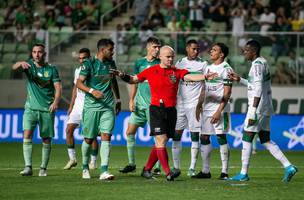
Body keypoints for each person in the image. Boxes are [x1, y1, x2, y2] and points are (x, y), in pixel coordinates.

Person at [111, 45, 217, 181]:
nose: (171, 59)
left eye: (172, 56)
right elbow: (134, 79)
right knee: (160, 140)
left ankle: (147, 169)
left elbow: (189, 77)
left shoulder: (176, 71)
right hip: (156, 109)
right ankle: (168, 173)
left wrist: (204, 77)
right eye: (168, 56)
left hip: (171, 110)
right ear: (160, 56)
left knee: (163, 140)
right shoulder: (151, 71)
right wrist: (122, 75)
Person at [229, 40, 298, 182]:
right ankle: (288, 166)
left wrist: (253, 110)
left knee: (247, 137)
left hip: (258, 108)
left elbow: (258, 88)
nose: (244, 52)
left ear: (253, 51)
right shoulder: (262, 62)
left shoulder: (257, 65)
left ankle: (243, 173)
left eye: (246, 50)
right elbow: (254, 85)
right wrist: (240, 79)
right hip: (265, 107)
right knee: (265, 139)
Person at [12, 43, 62, 177]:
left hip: (47, 109)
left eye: (39, 52)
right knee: (27, 135)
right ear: (32, 54)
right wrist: (20, 63)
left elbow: (58, 87)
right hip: (30, 108)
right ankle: (28, 167)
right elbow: (14, 67)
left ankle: (43, 168)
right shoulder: (29, 65)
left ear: (44, 54)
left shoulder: (52, 69)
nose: (37, 54)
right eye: (34, 52)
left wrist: (56, 102)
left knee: (46, 139)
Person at [76, 39, 121, 180]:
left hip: (108, 106)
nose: (113, 52)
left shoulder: (111, 63)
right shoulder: (89, 64)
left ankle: (104, 171)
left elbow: (113, 81)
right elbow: (78, 83)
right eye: (110, 50)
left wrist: (118, 99)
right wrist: (91, 90)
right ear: (102, 50)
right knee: (89, 139)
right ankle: (84, 167)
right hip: (91, 108)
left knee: (106, 136)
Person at [119, 37, 162, 174]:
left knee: (158, 136)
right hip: (139, 105)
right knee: (129, 132)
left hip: (153, 106)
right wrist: (131, 100)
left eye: (158, 47)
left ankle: (158, 167)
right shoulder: (139, 62)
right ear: (148, 47)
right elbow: (135, 82)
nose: (157, 49)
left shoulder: (161, 63)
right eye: (155, 47)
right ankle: (131, 164)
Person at [193, 42, 233, 180]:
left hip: (220, 109)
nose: (211, 52)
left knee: (221, 137)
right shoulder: (208, 68)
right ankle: (205, 171)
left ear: (221, 54)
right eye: (211, 50)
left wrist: (218, 111)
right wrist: (199, 105)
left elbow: (227, 93)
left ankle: (224, 172)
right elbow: (204, 88)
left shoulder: (226, 69)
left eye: (214, 50)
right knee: (204, 137)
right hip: (207, 108)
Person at [172, 40, 208, 177]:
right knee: (176, 134)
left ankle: (192, 167)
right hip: (180, 103)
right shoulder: (180, 63)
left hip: (194, 104)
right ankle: (176, 167)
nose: (196, 51)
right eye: (193, 48)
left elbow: (205, 85)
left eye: (197, 49)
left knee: (194, 135)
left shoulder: (203, 64)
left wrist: (200, 104)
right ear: (187, 48)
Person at [63, 48, 99, 170]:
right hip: (77, 106)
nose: (82, 60)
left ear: (89, 58)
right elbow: (75, 88)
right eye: (80, 58)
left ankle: (93, 161)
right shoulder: (78, 71)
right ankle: (72, 159)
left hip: (89, 105)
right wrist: (71, 105)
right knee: (68, 130)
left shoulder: (93, 70)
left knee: (91, 135)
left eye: (85, 58)